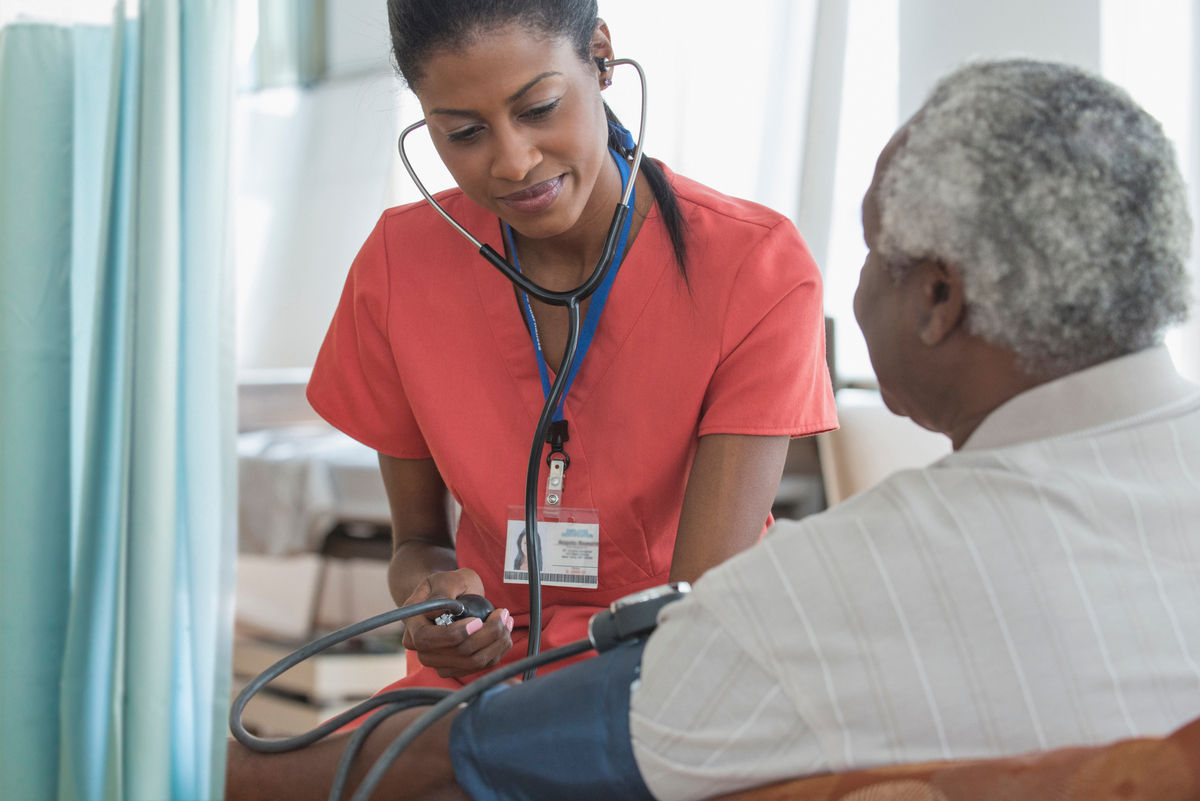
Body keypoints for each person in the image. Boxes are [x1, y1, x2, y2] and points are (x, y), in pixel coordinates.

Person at [228, 57, 1200, 801]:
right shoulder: (405, 259)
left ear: (938, 296)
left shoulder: (831, 599)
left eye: (872, 253)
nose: (513, 159)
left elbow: (460, 757)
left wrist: (171, 764)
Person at [304, 0, 835, 698]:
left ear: (602, 58)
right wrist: (433, 605)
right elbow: (416, 546)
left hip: (673, 676)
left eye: (540, 107)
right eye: (464, 132)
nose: (514, 161)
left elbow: (700, 607)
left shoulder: (756, 267)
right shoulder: (398, 269)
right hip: (477, 685)